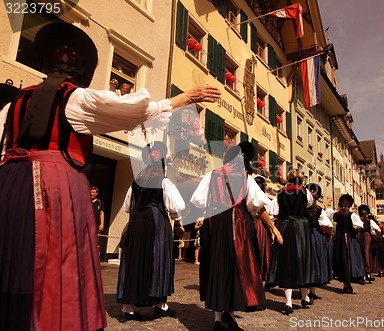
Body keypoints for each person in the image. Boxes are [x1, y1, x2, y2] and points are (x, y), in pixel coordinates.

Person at [0, 22, 220, 331]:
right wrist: (185, 98)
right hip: (56, 186)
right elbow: (137, 110)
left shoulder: (14, 103)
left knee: (13, 258)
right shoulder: (76, 98)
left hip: (10, 186)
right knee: (57, 261)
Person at [190, 142, 282, 331]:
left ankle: (218, 318)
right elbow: (257, 205)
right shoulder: (246, 178)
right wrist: (273, 228)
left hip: (215, 223)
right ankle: (229, 315)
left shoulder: (212, 175)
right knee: (237, 267)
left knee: (217, 266)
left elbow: (199, 201)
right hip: (237, 224)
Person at [117, 141, 185, 320]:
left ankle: (127, 309)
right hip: (156, 226)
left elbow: (127, 207)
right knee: (158, 262)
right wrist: (179, 224)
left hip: (137, 225)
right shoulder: (164, 182)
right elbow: (176, 207)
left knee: (134, 262)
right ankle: (160, 305)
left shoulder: (136, 182)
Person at [267, 168, 316, 315]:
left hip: (285, 227)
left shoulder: (280, 192)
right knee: (302, 261)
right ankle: (304, 297)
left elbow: (273, 212)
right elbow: (309, 204)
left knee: (288, 261)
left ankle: (288, 302)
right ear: (301, 179)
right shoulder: (305, 191)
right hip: (301, 228)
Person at [305, 183, 333, 299]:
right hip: (315, 236)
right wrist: (329, 235)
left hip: (304, 235)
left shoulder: (300, 208)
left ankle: (306, 291)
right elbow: (327, 225)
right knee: (316, 262)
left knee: (306, 263)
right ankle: (312, 291)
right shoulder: (319, 210)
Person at [332, 194, 365, 294]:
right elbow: (359, 227)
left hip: (338, 239)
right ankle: (350, 281)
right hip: (350, 239)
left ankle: (346, 283)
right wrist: (354, 232)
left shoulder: (335, 214)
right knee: (351, 258)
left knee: (342, 259)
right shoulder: (353, 215)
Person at [253, 175, 274, 282]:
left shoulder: (251, 195)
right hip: (262, 225)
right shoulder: (266, 199)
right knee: (262, 250)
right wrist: (272, 230)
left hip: (251, 223)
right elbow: (269, 216)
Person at [357, 205, 379, 283]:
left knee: (360, 254)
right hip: (367, 237)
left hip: (359, 237)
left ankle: (362, 274)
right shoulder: (370, 221)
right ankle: (369, 273)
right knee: (368, 254)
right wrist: (374, 234)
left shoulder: (358, 220)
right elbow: (378, 230)